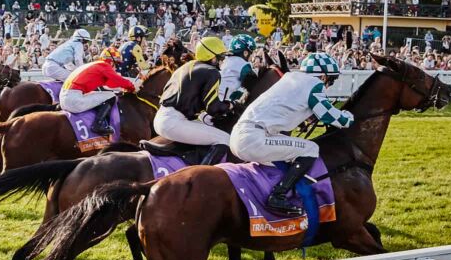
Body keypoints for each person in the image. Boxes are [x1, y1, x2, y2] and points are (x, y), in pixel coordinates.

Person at [229, 52, 354, 216]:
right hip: (254, 138)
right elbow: (328, 115)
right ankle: (278, 196)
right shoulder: (314, 83)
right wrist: (348, 117)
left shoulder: (291, 78)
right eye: (331, 79)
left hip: (240, 135)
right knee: (310, 148)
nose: (329, 84)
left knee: (292, 150)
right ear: (323, 76)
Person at [152, 36, 233, 165]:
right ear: (211, 56)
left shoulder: (186, 66)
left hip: (162, 118)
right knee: (225, 139)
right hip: (174, 122)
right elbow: (212, 108)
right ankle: (202, 174)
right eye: (221, 57)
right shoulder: (212, 72)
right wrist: (229, 105)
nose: (222, 60)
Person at [59, 47, 136, 135]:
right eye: (117, 64)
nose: (117, 67)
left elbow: (110, 84)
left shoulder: (95, 65)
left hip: (65, 98)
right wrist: (132, 87)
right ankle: (97, 125)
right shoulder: (104, 65)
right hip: (73, 99)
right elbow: (117, 79)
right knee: (111, 96)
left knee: (102, 94)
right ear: (111, 61)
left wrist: (124, 88)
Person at [219, 34, 257, 103]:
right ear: (245, 53)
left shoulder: (226, 60)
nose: (253, 56)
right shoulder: (244, 65)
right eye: (252, 53)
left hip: (218, 97)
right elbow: (253, 83)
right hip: (227, 102)